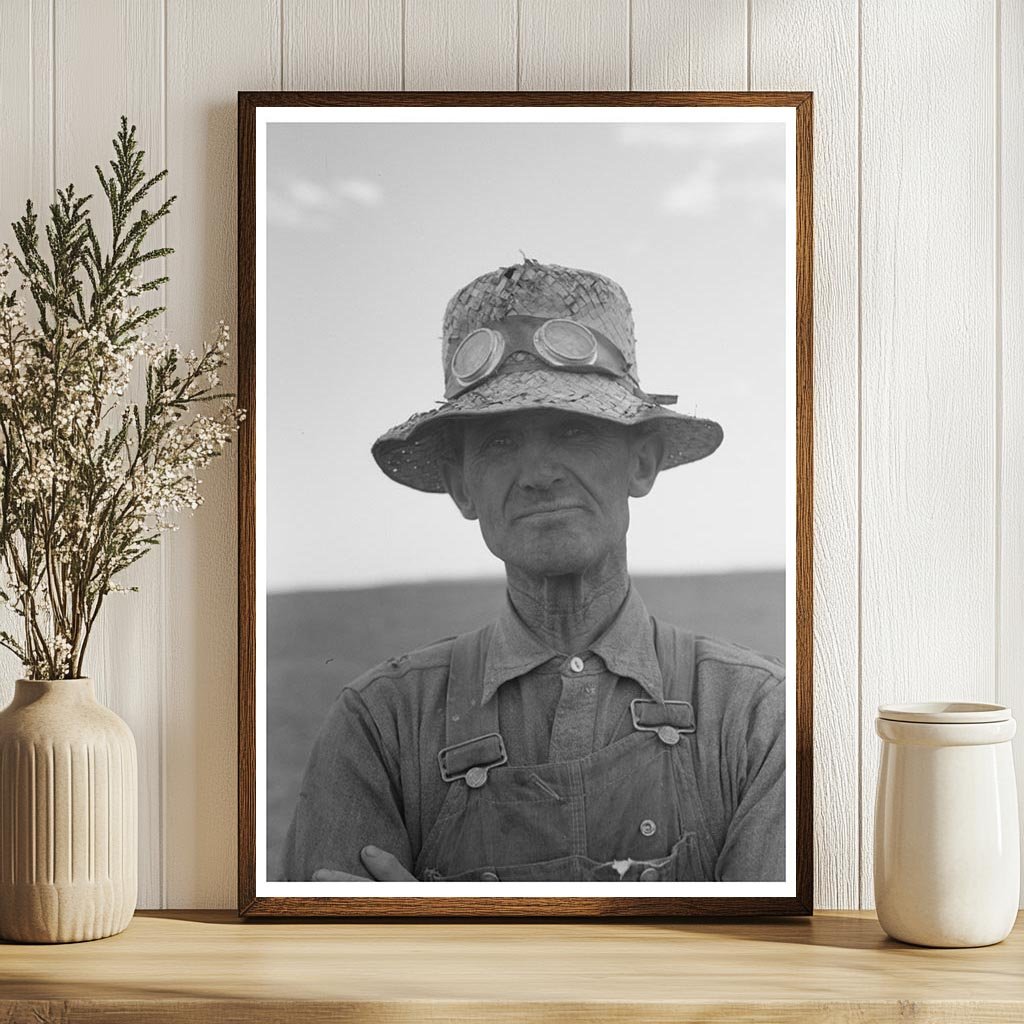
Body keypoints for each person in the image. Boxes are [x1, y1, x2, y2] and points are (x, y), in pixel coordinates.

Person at [282, 258, 785, 883]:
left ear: (642, 463)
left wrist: (432, 935)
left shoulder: (755, 714)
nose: (539, 474)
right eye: (499, 442)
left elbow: (763, 947)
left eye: (574, 431)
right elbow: (328, 945)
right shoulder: (380, 725)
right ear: (462, 487)